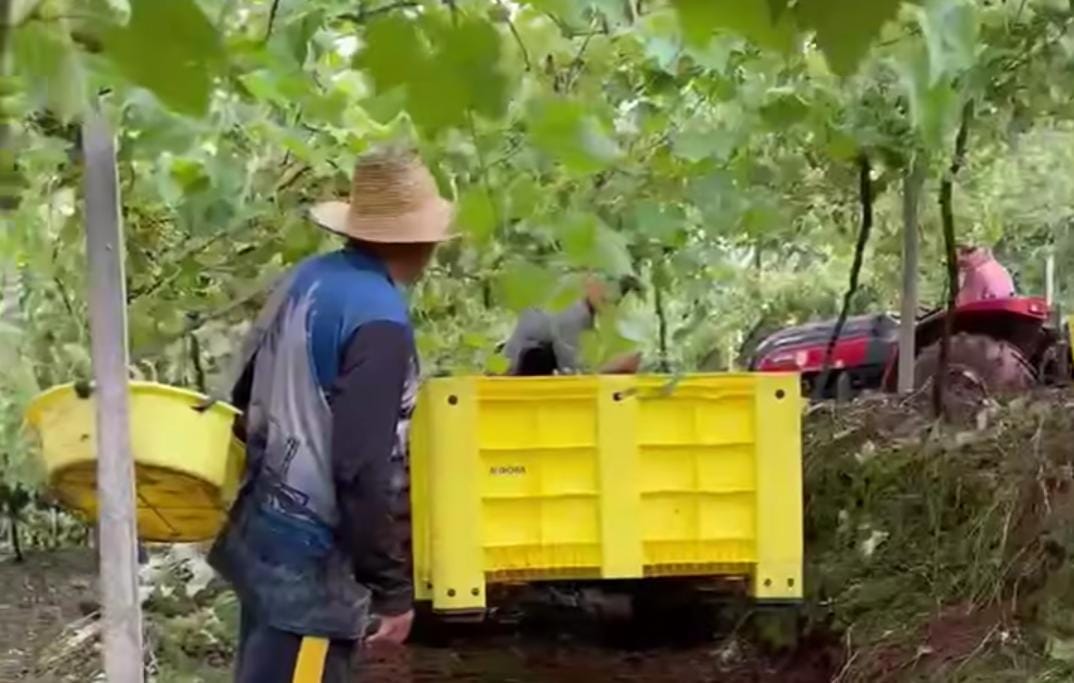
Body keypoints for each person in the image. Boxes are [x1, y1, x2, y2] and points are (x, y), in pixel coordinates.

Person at [208, 147, 453, 682]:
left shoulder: (304, 280)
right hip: (313, 573)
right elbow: (359, 468)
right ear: (420, 240)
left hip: (262, 544)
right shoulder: (381, 322)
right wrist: (391, 589)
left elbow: (242, 398)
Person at [502, 276, 642, 375]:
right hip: (517, 375)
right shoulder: (572, 314)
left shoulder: (582, 312)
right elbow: (571, 373)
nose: (611, 297)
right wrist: (614, 367)